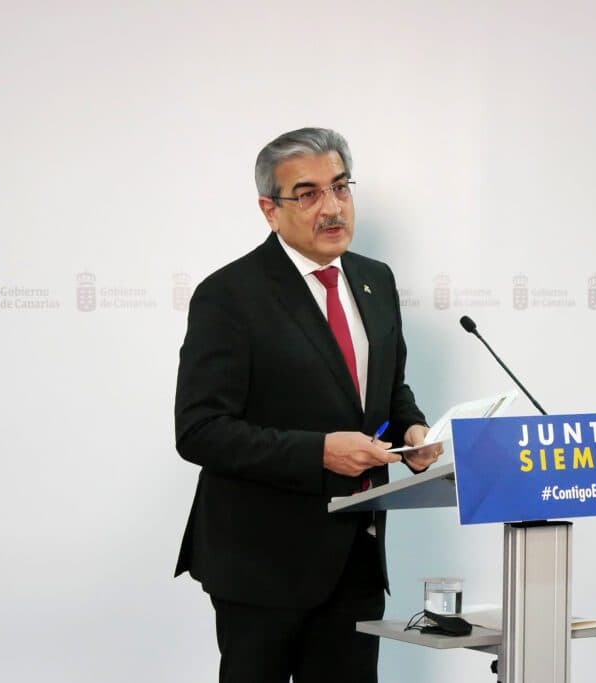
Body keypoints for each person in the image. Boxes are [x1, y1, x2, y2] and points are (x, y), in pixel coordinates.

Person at [174, 127, 440, 683]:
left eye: (340, 187)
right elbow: (200, 430)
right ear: (269, 210)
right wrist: (319, 452)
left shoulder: (375, 279)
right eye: (308, 194)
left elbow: (387, 390)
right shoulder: (230, 295)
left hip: (356, 557)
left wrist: (413, 431)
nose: (332, 207)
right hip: (260, 564)